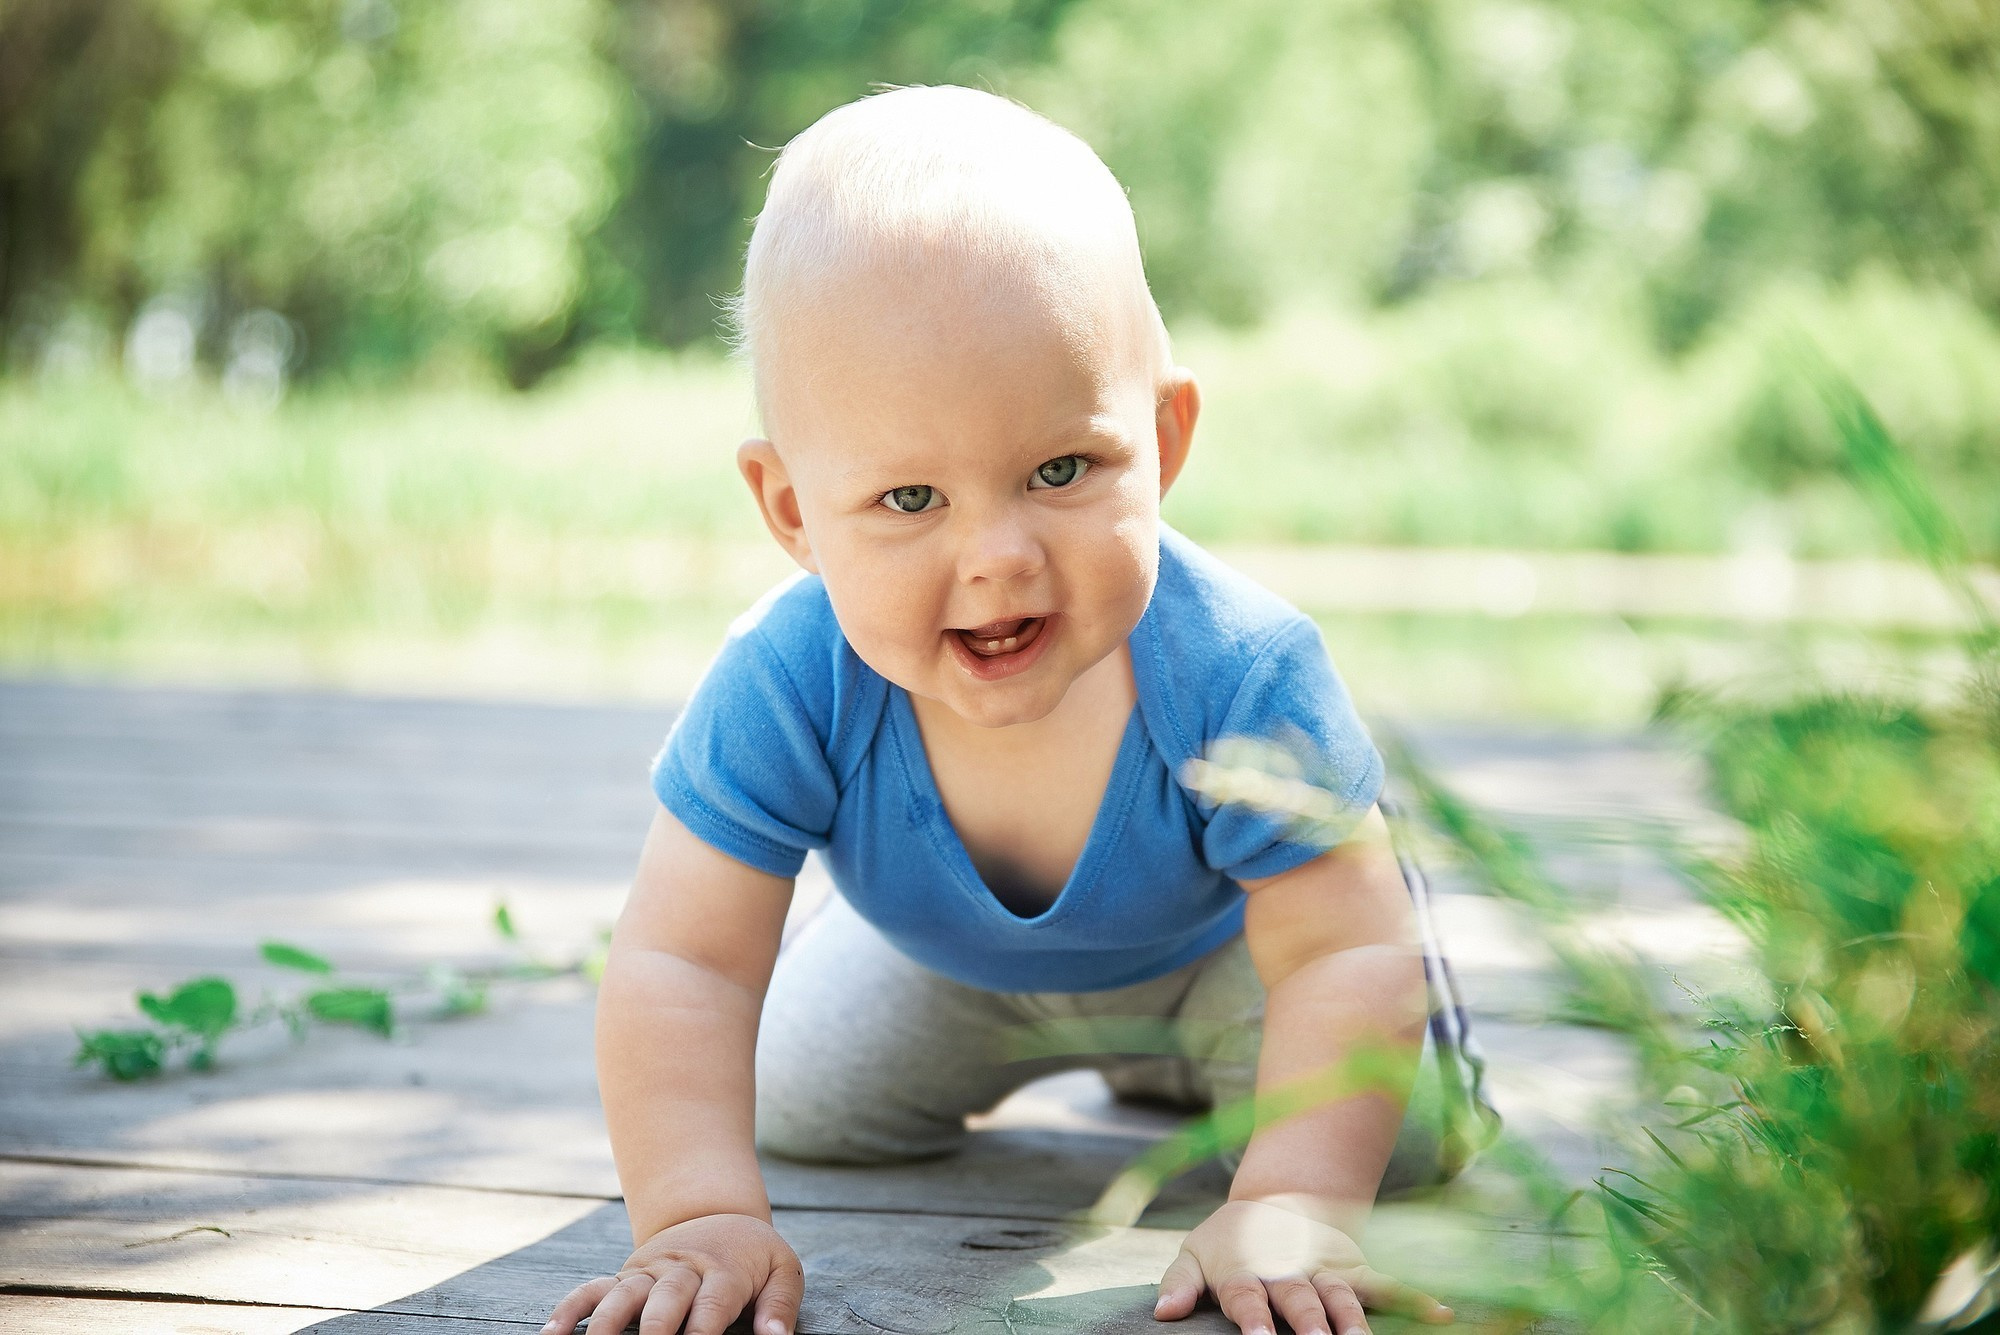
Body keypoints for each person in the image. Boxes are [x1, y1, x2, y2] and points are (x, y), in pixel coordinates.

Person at [541, 84, 1496, 1335]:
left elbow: (1334, 954)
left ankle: (1208, 1056)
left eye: (1059, 470)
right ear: (789, 513)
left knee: (1401, 1139)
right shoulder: (783, 680)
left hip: (1234, 957)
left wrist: (1296, 1198)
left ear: (1161, 438)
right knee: (783, 1104)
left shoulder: (1243, 669)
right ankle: (1076, 1031)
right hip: (945, 967)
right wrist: (695, 1215)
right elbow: (684, 963)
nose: (995, 557)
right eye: (907, 500)